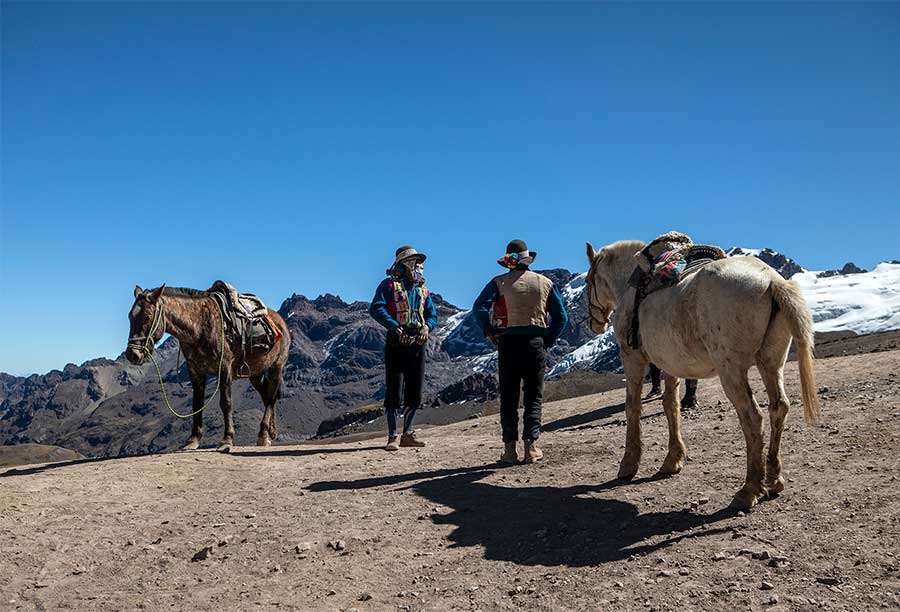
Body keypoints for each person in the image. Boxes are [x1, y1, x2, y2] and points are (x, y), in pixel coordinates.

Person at [472, 239, 568, 464]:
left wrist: (489, 330)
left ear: (509, 261)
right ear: (528, 260)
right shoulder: (545, 283)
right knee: (533, 396)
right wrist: (548, 340)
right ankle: (531, 447)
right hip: (535, 343)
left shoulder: (498, 283)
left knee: (509, 396)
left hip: (508, 343)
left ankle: (509, 450)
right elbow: (561, 317)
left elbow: (479, 308)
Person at [369, 246, 438, 451]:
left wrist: (427, 327)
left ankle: (408, 433)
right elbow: (376, 308)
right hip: (396, 341)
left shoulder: (423, 290)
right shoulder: (389, 285)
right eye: (415, 262)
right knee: (394, 387)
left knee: (414, 388)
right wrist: (394, 326)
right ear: (405, 263)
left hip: (418, 341)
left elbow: (432, 314)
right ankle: (392, 436)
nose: (419, 266)